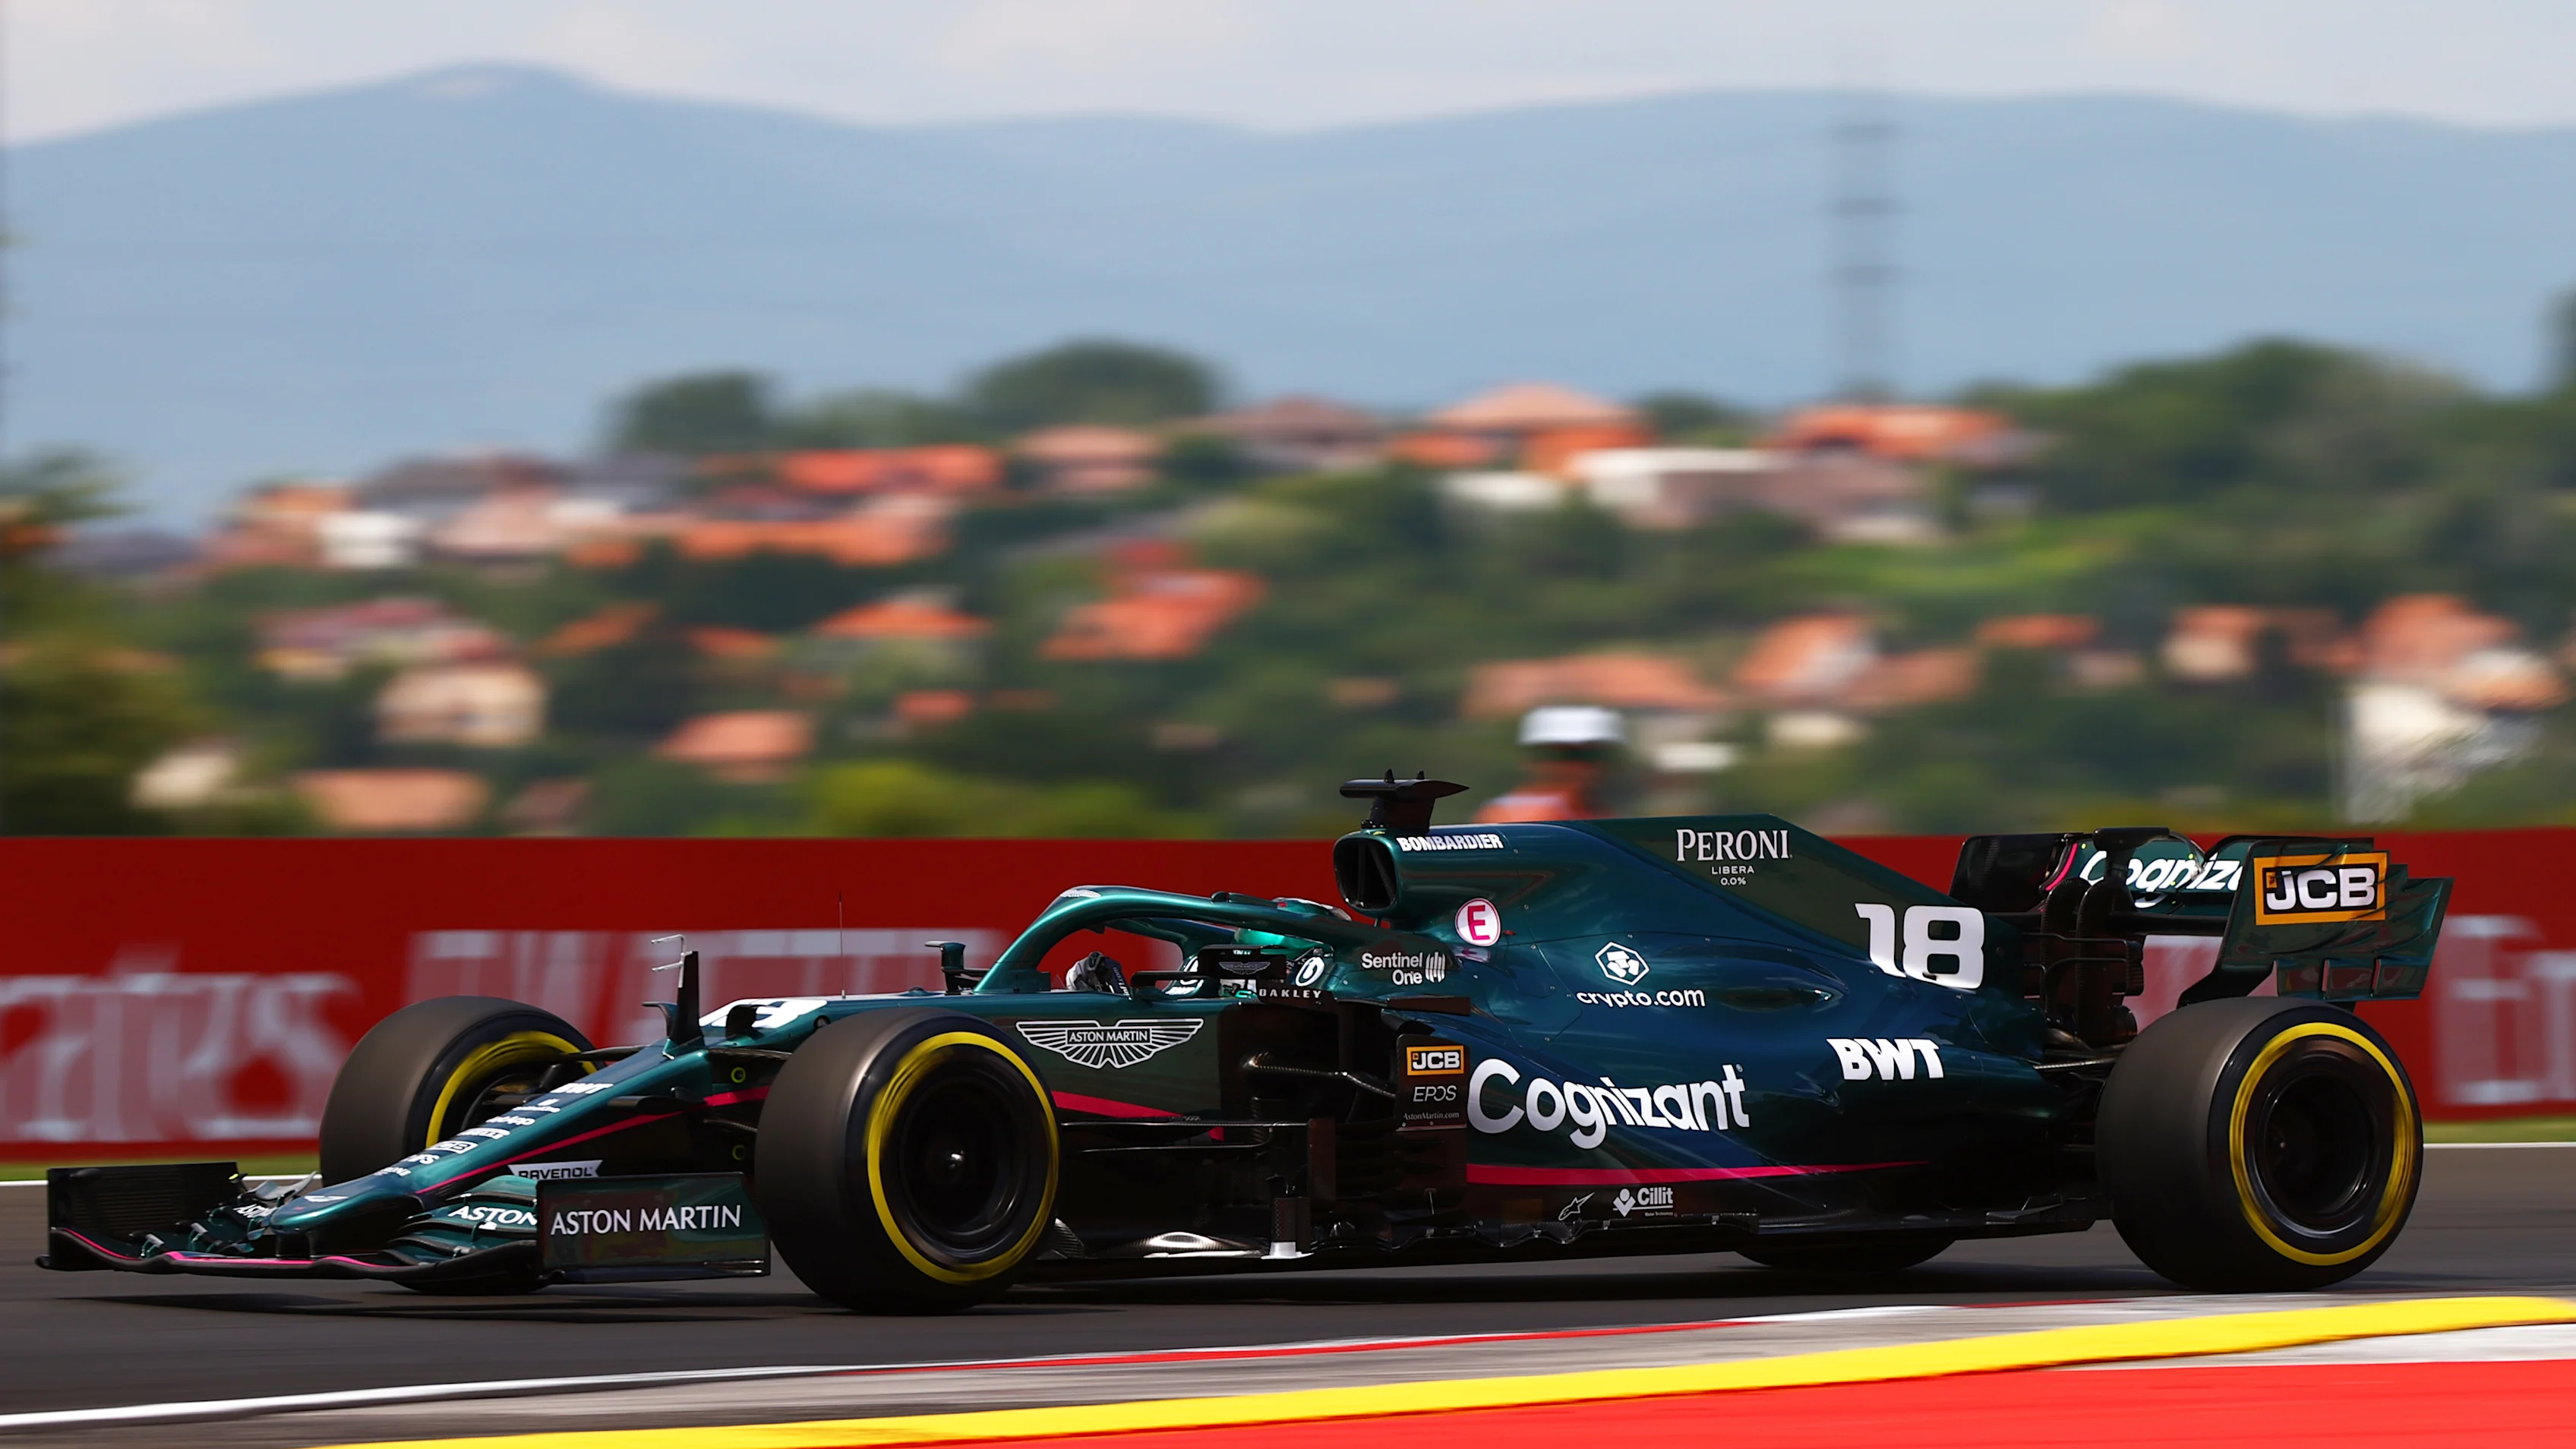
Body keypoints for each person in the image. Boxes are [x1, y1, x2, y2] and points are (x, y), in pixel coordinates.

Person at [1474, 706, 1626, 822]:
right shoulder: (1509, 815)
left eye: (1591, 756)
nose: (1579, 767)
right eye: (1567, 756)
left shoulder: (1604, 814)